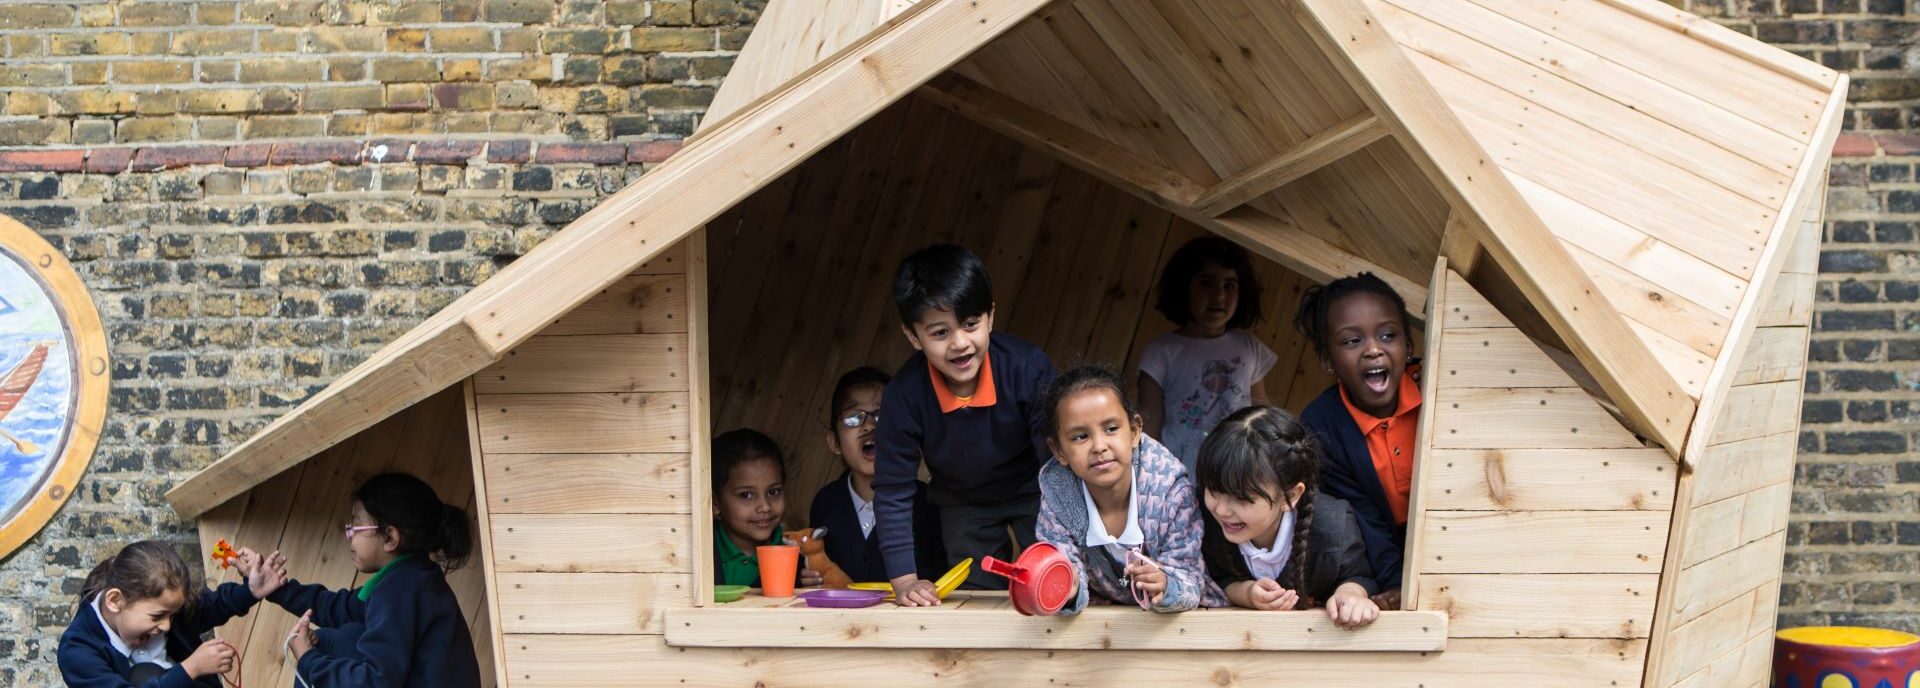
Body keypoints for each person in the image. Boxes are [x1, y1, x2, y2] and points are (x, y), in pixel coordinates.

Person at [873, 244, 1057, 604]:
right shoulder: (904, 395)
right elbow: (893, 490)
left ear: (990, 317)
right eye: (940, 333)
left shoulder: (1027, 367)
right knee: (978, 593)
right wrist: (905, 581)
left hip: (1037, 488)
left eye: (970, 324)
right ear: (913, 336)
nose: (960, 343)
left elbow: (1058, 460)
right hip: (962, 501)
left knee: (1055, 579)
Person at [267, 472, 483, 687]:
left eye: (356, 525)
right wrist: (273, 587)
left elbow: (375, 683)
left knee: (325, 647)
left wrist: (308, 660)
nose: (349, 534)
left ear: (390, 537)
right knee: (338, 638)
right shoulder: (412, 578)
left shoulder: (399, 592)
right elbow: (340, 608)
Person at [1033, 366, 1207, 614]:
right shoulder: (1058, 496)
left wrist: (1168, 585)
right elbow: (1065, 566)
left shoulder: (1170, 490)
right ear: (1059, 450)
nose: (1099, 446)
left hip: (1168, 630)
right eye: (1080, 437)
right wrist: (1067, 589)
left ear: (1135, 430)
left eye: (1111, 429)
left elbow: (1191, 578)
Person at [1195, 405, 1380, 628]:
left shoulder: (1333, 528)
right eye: (1214, 491)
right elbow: (1218, 577)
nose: (1222, 509)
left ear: (1290, 496)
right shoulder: (1202, 521)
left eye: (1242, 499)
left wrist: (1350, 595)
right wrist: (1246, 593)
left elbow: (1359, 577)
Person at [1294, 273, 1419, 603]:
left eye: (1388, 335)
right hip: (1378, 551)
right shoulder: (1322, 424)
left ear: (1409, 345)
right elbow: (1363, 519)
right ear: (1327, 360)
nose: (1374, 349)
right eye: (1352, 341)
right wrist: (1396, 587)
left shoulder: (1435, 389)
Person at [59, 540, 286, 688]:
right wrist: (192, 667)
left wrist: (251, 590)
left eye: (171, 615)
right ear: (115, 601)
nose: (167, 626)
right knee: (143, 674)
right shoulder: (78, 649)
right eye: (157, 616)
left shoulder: (164, 612)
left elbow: (211, 606)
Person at [1136, 237, 1276, 472]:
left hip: (1235, 475)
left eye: (1229, 285)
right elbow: (1147, 429)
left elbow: (1262, 414)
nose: (1219, 295)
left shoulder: (1248, 348)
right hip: (1178, 479)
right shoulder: (1160, 352)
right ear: (1184, 286)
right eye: (1206, 283)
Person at [809, 367, 947, 583]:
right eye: (853, 418)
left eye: (883, 415)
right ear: (834, 442)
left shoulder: (927, 502)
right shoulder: (826, 503)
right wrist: (812, 578)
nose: (869, 425)